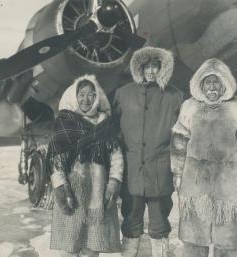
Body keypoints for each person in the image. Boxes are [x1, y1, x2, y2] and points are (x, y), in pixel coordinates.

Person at [170, 58, 237, 257]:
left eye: (217, 82)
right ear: (200, 85)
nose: (212, 87)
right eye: (208, 82)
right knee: (193, 242)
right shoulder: (189, 107)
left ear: (225, 83)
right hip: (196, 189)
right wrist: (178, 174)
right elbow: (178, 143)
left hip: (229, 192)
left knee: (226, 244)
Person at [113, 46, 183, 257]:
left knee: (160, 224)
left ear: (163, 68)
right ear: (138, 68)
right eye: (147, 66)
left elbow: (181, 136)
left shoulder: (175, 96)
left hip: (160, 173)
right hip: (132, 171)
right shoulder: (123, 94)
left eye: (156, 66)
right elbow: (114, 131)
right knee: (131, 221)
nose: (151, 71)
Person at [48, 75, 124, 257]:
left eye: (91, 94)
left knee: (92, 247)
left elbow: (116, 156)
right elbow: (56, 159)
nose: (86, 99)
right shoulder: (65, 122)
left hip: (97, 192)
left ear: (97, 98)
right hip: (73, 192)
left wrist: (114, 182)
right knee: (70, 246)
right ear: (74, 97)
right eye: (81, 94)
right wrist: (60, 186)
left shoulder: (104, 124)